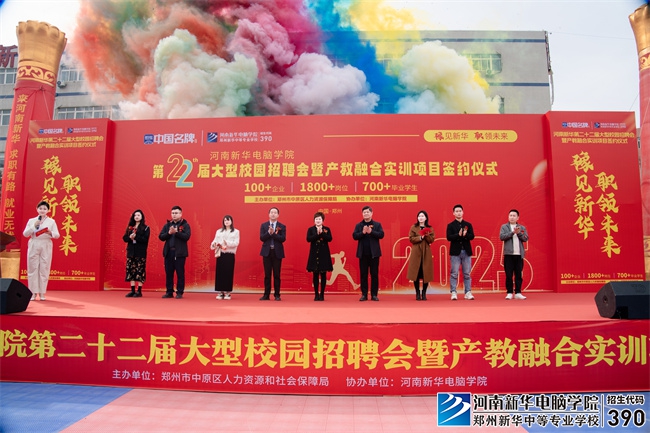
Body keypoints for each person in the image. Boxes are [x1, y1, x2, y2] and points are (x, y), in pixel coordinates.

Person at [22, 201, 60, 301]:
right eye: (40, 208)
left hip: (46, 243)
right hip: (34, 242)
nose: (42, 210)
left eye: (45, 209)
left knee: (44, 267)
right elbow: (25, 234)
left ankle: (42, 292)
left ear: (48, 210)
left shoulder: (51, 221)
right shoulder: (32, 221)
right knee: (32, 268)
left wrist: (50, 232)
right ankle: (33, 292)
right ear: (37, 209)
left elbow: (57, 235)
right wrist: (33, 226)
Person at [352, 205, 384, 301]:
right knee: (363, 275)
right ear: (362, 214)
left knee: (374, 274)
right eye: (364, 212)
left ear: (371, 213)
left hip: (374, 254)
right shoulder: (359, 225)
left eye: (367, 212)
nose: (366, 214)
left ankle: (374, 295)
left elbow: (381, 234)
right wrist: (362, 232)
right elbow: (354, 236)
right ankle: (364, 294)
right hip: (363, 254)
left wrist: (371, 231)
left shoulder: (377, 224)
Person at [159, 205, 191, 299]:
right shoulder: (167, 225)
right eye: (172, 213)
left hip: (179, 253)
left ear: (181, 214)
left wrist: (177, 232)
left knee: (180, 273)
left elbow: (187, 237)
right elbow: (161, 237)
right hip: (169, 252)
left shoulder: (185, 225)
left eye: (176, 213)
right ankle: (169, 291)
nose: (174, 215)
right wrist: (169, 233)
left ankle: (179, 292)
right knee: (169, 273)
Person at [446, 204, 475, 300]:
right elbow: (449, 237)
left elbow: (472, 236)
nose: (458, 213)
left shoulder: (468, 225)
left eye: (460, 211)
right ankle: (453, 292)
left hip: (466, 251)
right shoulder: (450, 225)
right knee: (454, 273)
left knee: (467, 273)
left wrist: (466, 235)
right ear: (453, 213)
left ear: (463, 212)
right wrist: (458, 235)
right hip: (455, 252)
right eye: (456, 211)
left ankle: (468, 292)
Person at [499, 209, 529, 300]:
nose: (512, 217)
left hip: (519, 254)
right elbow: (502, 237)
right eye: (510, 215)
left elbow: (525, 238)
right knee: (509, 274)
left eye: (514, 216)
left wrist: (518, 233)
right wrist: (512, 233)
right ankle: (509, 292)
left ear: (517, 217)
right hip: (508, 254)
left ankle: (518, 292)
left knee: (518, 274)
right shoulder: (504, 227)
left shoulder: (522, 227)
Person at [407, 210, 435, 301]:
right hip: (416, 252)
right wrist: (420, 237)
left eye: (422, 216)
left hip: (426, 252)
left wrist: (426, 235)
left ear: (426, 218)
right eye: (419, 216)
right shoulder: (414, 227)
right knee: (416, 273)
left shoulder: (430, 228)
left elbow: (432, 240)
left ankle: (424, 293)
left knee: (426, 273)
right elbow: (411, 239)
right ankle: (417, 293)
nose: (421, 218)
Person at [259, 207, 286, 301]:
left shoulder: (282, 226)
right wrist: (269, 233)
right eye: (271, 212)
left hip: (277, 252)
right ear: (269, 214)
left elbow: (283, 239)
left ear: (278, 215)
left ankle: (277, 295)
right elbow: (262, 238)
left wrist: (273, 234)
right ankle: (266, 295)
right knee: (267, 275)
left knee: (277, 275)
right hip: (267, 252)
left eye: (275, 212)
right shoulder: (264, 225)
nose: (273, 214)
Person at [211, 215, 240, 300]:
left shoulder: (236, 232)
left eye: (228, 220)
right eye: (225, 220)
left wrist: (227, 243)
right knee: (220, 273)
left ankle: (227, 292)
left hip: (229, 254)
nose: (226, 222)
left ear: (231, 221)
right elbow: (215, 240)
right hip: (220, 254)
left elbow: (236, 243)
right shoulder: (219, 231)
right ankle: (220, 292)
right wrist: (213, 244)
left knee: (228, 272)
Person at [306, 212, 333, 301]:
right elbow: (308, 239)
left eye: (320, 219)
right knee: (315, 274)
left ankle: (322, 294)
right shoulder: (311, 229)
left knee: (323, 274)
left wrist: (322, 234)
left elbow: (329, 238)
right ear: (314, 220)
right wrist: (317, 234)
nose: (318, 220)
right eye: (316, 219)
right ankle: (316, 294)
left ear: (323, 220)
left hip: (324, 254)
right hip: (314, 253)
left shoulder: (326, 229)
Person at [122, 209, 150, 298]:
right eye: (135, 215)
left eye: (138, 215)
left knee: (140, 270)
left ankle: (139, 291)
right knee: (131, 270)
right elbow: (124, 238)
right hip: (131, 251)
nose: (136, 217)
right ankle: (132, 290)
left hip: (140, 252)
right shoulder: (130, 227)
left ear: (142, 217)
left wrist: (136, 237)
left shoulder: (146, 228)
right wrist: (130, 237)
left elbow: (145, 240)